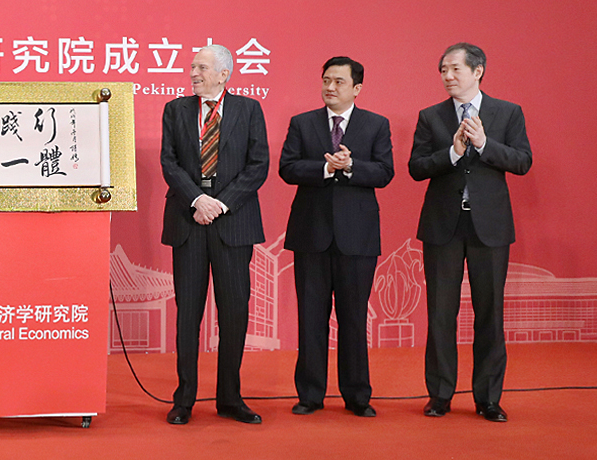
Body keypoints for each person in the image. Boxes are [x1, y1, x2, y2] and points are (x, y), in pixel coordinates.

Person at [409, 42, 531, 423]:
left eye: (455, 69)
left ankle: (488, 398)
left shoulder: (507, 113)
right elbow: (416, 167)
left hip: (489, 227)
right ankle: (440, 394)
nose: (447, 76)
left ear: (478, 71)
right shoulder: (431, 117)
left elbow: (522, 161)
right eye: (443, 70)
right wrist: (452, 153)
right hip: (443, 226)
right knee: (440, 314)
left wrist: (484, 144)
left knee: (490, 314)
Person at [159, 44, 269, 425]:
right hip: (188, 219)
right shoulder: (175, 110)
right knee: (188, 314)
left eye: (202, 68)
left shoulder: (249, 110)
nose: (194, 73)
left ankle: (230, 398)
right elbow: (169, 162)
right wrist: (197, 199)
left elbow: (258, 166)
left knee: (234, 313)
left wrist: (220, 204)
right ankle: (184, 399)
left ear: (224, 74)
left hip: (232, 223)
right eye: (192, 67)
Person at [279, 56, 393, 417]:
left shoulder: (376, 124)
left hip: (357, 238)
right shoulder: (303, 123)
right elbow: (287, 168)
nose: (330, 87)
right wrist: (327, 168)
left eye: (339, 82)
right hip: (311, 235)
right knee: (311, 319)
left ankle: (357, 396)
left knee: (354, 319)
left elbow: (385, 172)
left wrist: (352, 166)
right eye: (326, 80)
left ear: (357, 88)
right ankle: (310, 395)